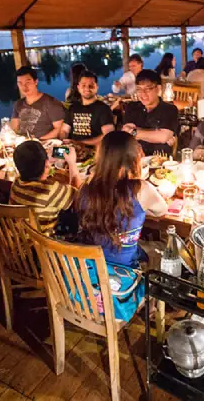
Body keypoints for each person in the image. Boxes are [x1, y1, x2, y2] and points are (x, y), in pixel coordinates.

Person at [74, 131, 167, 321]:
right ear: (134, 158)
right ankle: (150, 305)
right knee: (162, 250)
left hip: (91, 267)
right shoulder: (141, 188)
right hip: (123, 275)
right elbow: (161, 211)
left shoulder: (86, 188)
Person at [10, 140, 83, 236]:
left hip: (19, 243)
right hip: (41, 247)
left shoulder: (16, 183)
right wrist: (72, 163)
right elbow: (81, 197)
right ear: (46, 165)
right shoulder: (50, 190)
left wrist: (44, 163)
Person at [122, 70, 179, 157]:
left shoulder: (169, 109)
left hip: (160, 161)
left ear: (158, 89)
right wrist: (156, 133)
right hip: (135, 158)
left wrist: (134, 132)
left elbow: (163, 137)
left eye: (147, 89)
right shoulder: (132, 107)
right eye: (139, 89)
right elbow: (126, 135)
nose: (143, 93)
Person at [10, 66, 65, 140]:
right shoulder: (18, 104)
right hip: (21, 143)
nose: (24, 86)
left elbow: (59, 130)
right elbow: (14, 128)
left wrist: (38, 140)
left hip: (42, 144)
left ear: (36, 82)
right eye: (20, 83)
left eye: (28, 82)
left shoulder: (51, 103)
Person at [60, 71, 115, 145]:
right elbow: (64, 130)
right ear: (78, 87)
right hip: (73, 149)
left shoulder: (103, 109)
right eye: (83, 85)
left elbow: (108, 135)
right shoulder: (73, 107)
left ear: (96, 87)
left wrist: (80, 143)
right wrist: (63, 141)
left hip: (94, 150)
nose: (87, 88)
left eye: (91, 85)